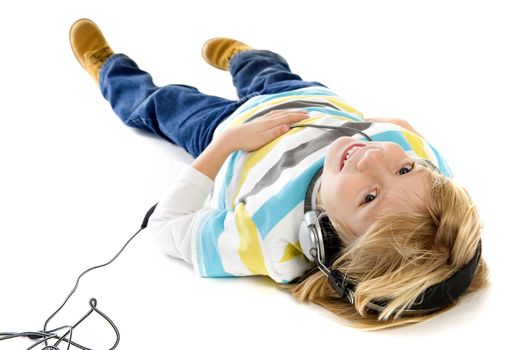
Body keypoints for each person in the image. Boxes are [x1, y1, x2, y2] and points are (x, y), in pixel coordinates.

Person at [69, 18, 489, 329]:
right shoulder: (426, 183)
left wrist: (227, 144)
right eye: (404, 167)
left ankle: (109, 69)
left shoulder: (269, 239)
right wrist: (358, 121)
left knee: (161, 104)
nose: (371, 158)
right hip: (304, 100)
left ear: (323, 240)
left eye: (369, 197)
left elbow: (165, 226)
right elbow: (408, 134)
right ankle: (241, 57)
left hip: (228, 128)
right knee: (264, 68)